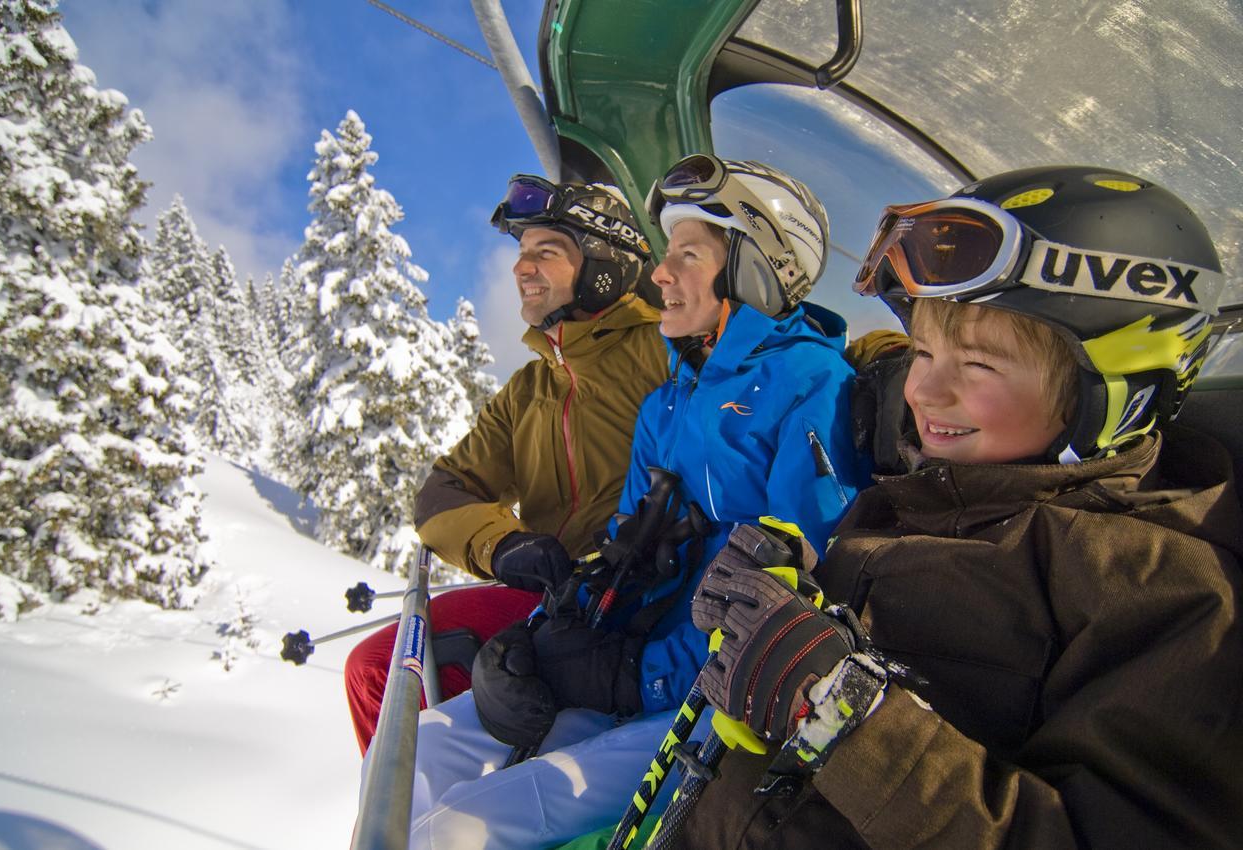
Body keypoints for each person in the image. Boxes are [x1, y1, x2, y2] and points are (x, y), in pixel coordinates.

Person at [673, 165, 1243, 849]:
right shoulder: (918, 498)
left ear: (1116, 390)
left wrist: (841, 714)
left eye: (977, 365)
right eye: (921, 351)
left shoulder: (1167, 594)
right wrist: (795, 593)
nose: (922, 391)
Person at [406, 156, 869, 849]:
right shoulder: (669, 400)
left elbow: (786, 596)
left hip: (708, 701)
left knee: (458, 829)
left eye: (687, 255)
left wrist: (634, 680)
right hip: (646, 669)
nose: (661, 274)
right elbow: (622, 553)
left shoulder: (813, 385)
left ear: (749, 269)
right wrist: (542, 639)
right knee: (426, 749)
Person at [343, 176, 669, 755]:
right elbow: (444, 491)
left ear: (603, 264)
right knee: (379, 670)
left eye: (547, 252)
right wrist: (503, 545)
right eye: (522, 254)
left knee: (380, 669)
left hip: (629, 597)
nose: (523, 268)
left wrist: (885, 361)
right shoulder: (530, 388)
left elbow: (779, 359)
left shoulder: (664, 346)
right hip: (548, 594)